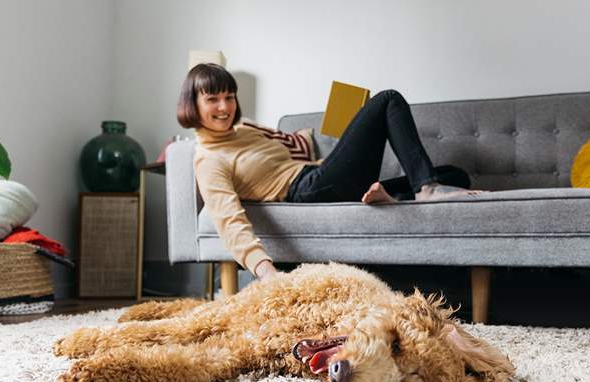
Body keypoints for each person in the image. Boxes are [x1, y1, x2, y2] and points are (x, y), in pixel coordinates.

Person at [177, 63, 483, 282]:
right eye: (212, 99)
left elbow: (288, 151)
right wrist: (264, 270)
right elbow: (227, 218)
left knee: (456, 175)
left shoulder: (244, 130)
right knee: (387, 99)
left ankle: (395, 193)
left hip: (319, 176)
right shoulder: (209, 158)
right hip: (306, 191)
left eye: (229, 97)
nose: (224, 106)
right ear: (193, 104)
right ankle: (423, 188)